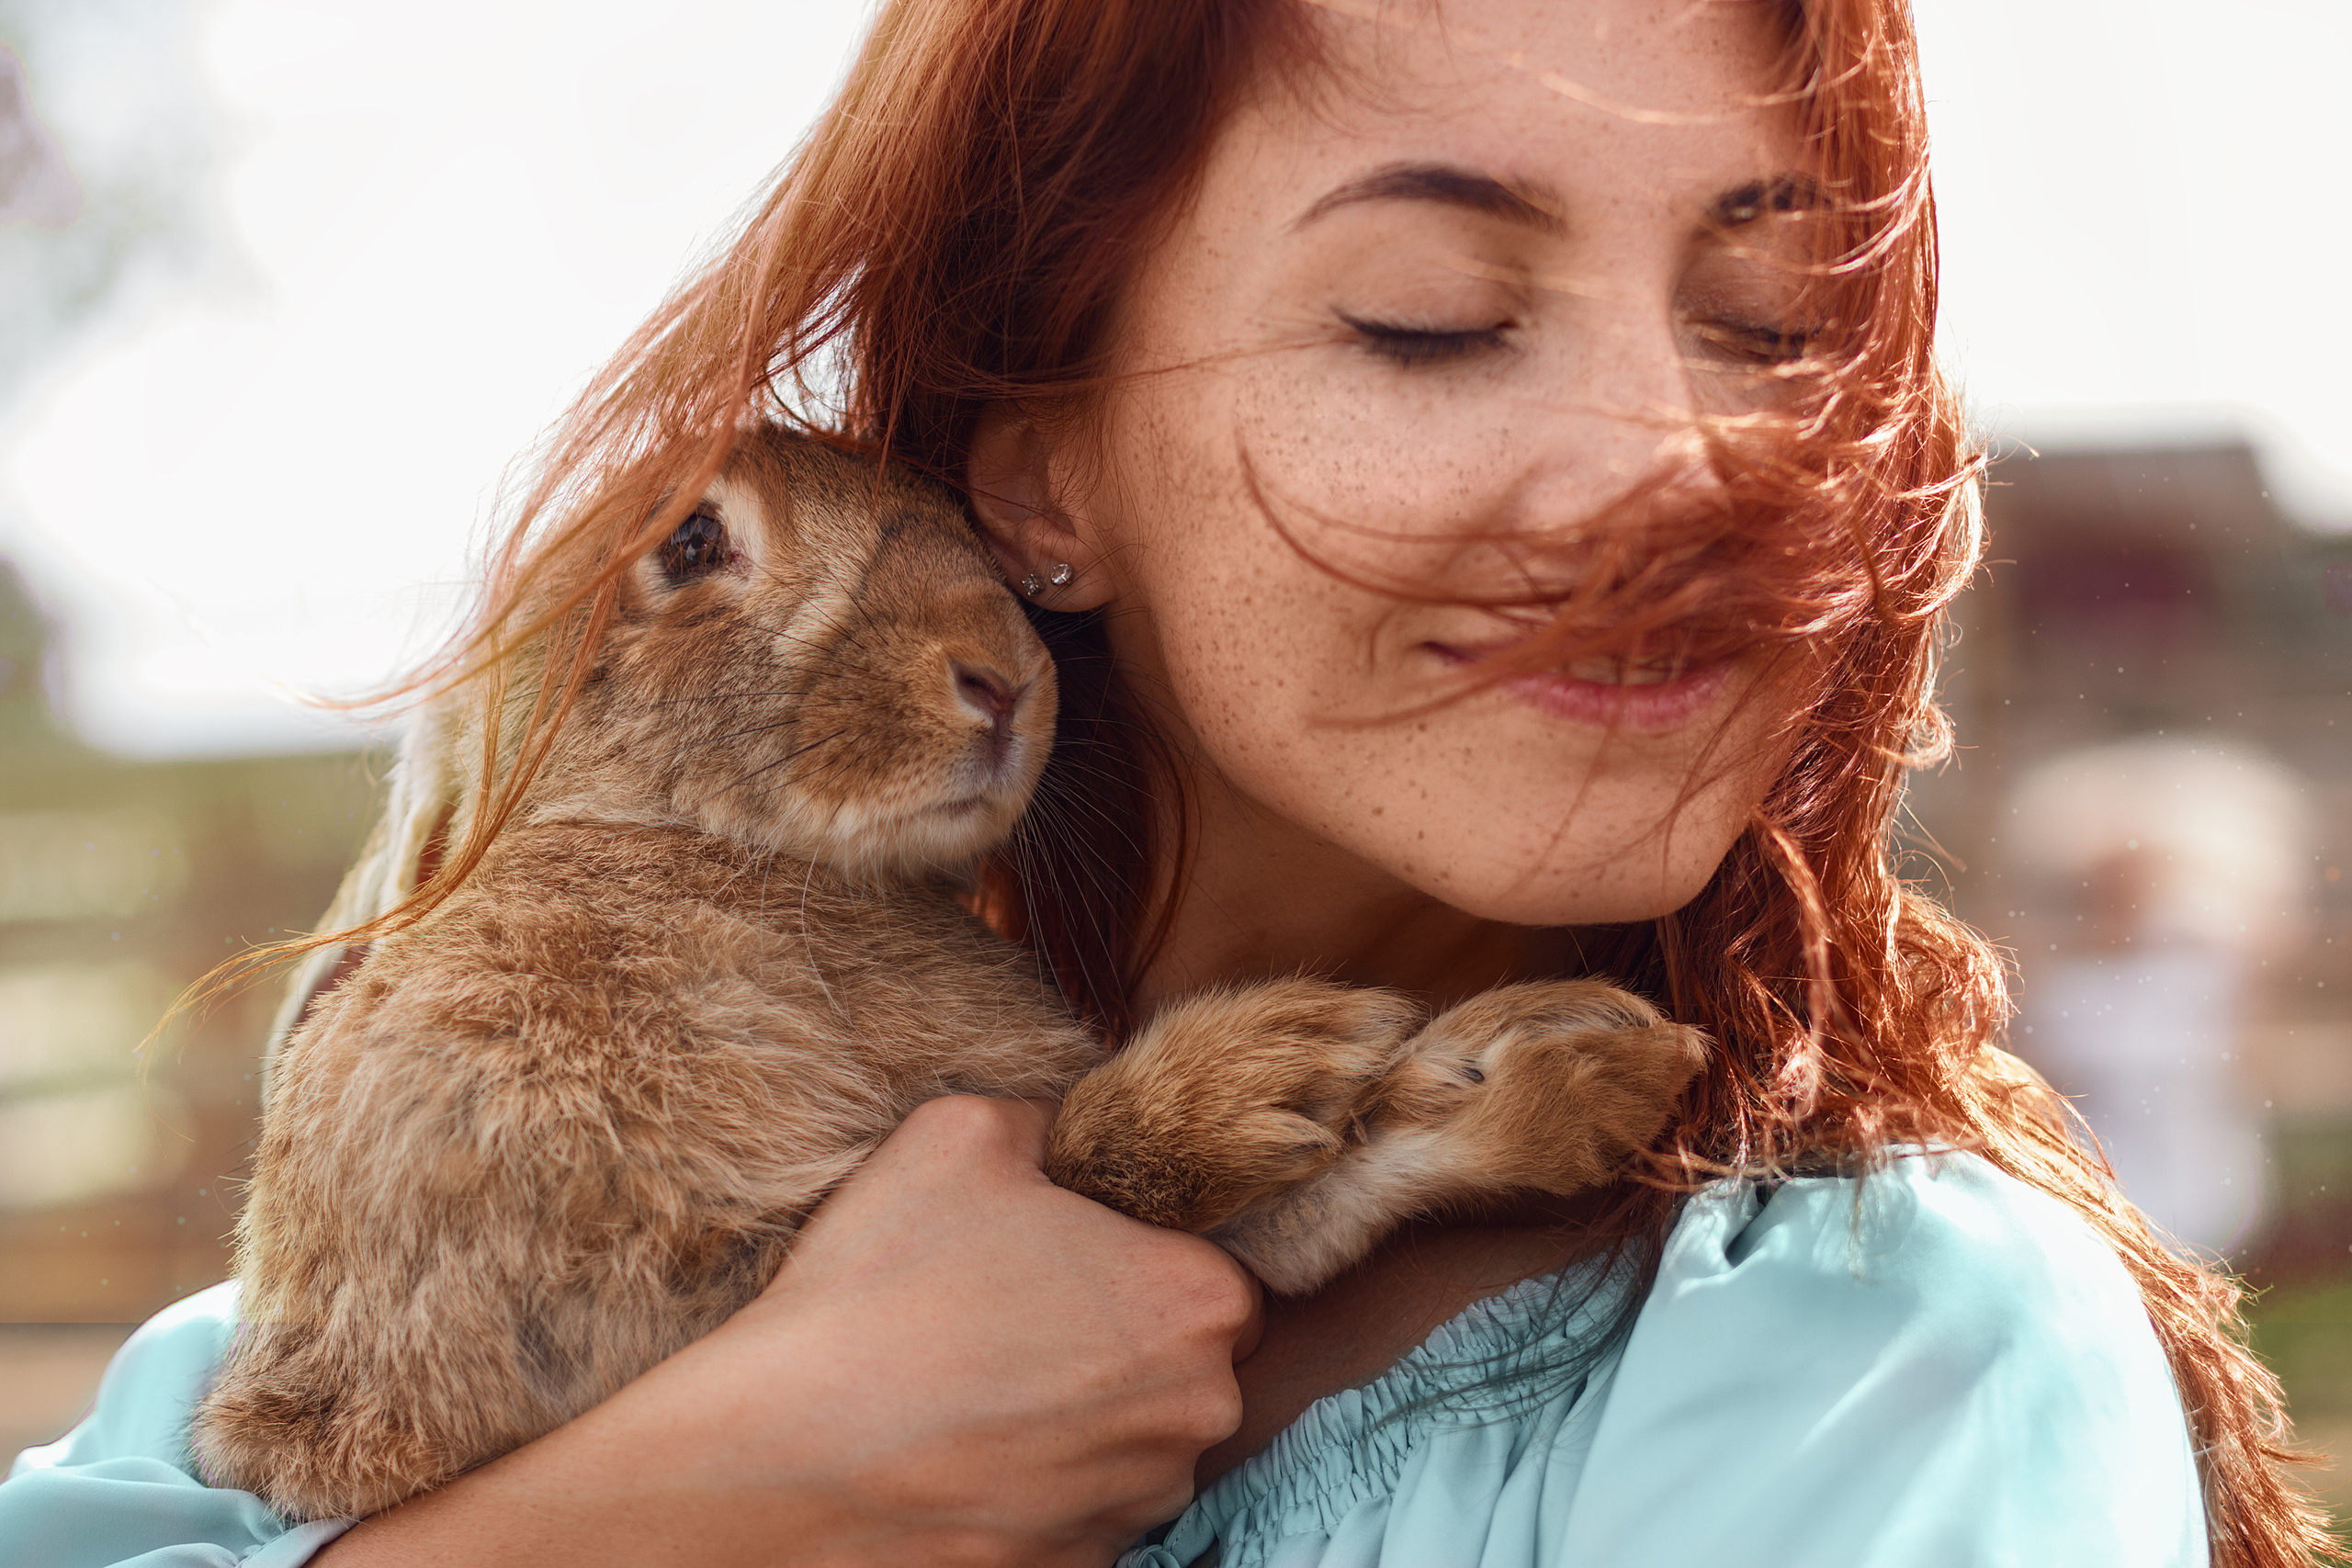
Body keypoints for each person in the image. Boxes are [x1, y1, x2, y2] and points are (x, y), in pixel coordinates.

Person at [1, 0, 2331, 1563]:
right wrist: (695, 1491)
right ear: (1042, 487)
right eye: (1428, 312)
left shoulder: (1868, 1357)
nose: (1672, 466)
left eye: (1776, 333)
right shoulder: (344, 1316)